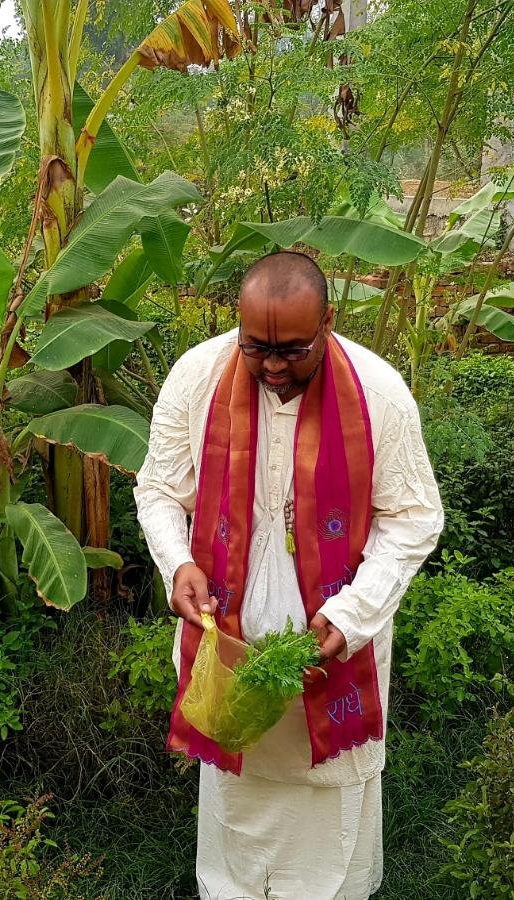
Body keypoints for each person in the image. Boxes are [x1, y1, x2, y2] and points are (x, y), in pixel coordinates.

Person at [134, 251, 444, 899]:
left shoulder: (379, 394)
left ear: (329, 321)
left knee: (330, 845)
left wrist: (353, 614)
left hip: (335, 654)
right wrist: (178, 562)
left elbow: (414, 518)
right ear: (237, 327)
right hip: (231, 656)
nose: (273, 367)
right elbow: (160, 490)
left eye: (293, 351)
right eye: (257, 349)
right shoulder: (196, 378)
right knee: (235, 820)